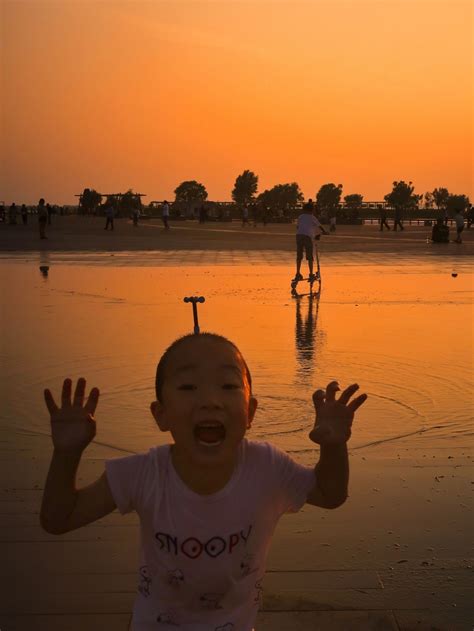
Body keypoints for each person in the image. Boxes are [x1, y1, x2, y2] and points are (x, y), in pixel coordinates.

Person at [40, 332, 367, 631]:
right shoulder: (143, 474)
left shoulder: (267, 468)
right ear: (160, 414)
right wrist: (67, 454)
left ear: (250, 411)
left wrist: (334, 446)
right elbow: (59, 519)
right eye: (187, 387)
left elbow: (329, 493)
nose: (210, 399)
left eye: (228, 386)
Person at [293, 203, 328, 282]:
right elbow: (320, 226)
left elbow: (298, 227)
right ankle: (311, 274)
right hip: (307, 237)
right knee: (309, 256)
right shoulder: (312, 217)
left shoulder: (300, 217)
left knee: (299, 255)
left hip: (299, 236)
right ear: (312, 210)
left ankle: (297, 273)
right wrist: (324, 232)